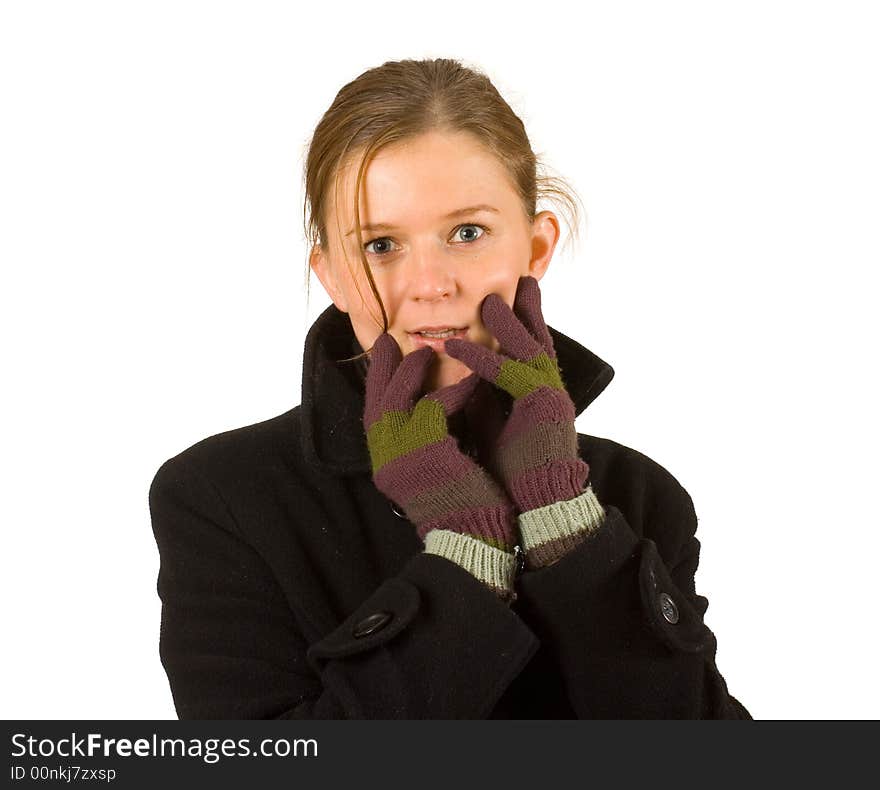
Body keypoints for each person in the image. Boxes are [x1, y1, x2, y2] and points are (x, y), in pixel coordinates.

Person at [148, 57, 751, 719]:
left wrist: (564, 525)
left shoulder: (638, 497)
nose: (430, 283)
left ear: (536, 247)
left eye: (467, 233)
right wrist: (465, 558)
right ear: (332, 276)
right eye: (381, 244)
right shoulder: (222, 497)